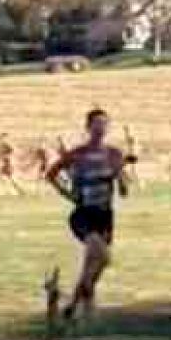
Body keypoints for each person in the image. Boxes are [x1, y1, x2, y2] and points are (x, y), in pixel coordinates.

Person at [45, 108, 130, 322]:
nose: (101, 127)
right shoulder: (77, 154)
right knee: (104, 257)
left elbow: (124, 191)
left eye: (104, 123)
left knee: (91, 267)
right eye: (96, 123)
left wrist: (120, 175)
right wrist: (67, 194)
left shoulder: (113, 154)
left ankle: (71, 306)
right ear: (88, 127)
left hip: (105, 216)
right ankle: (84, 302)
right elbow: (51, 174)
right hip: (84, 214)